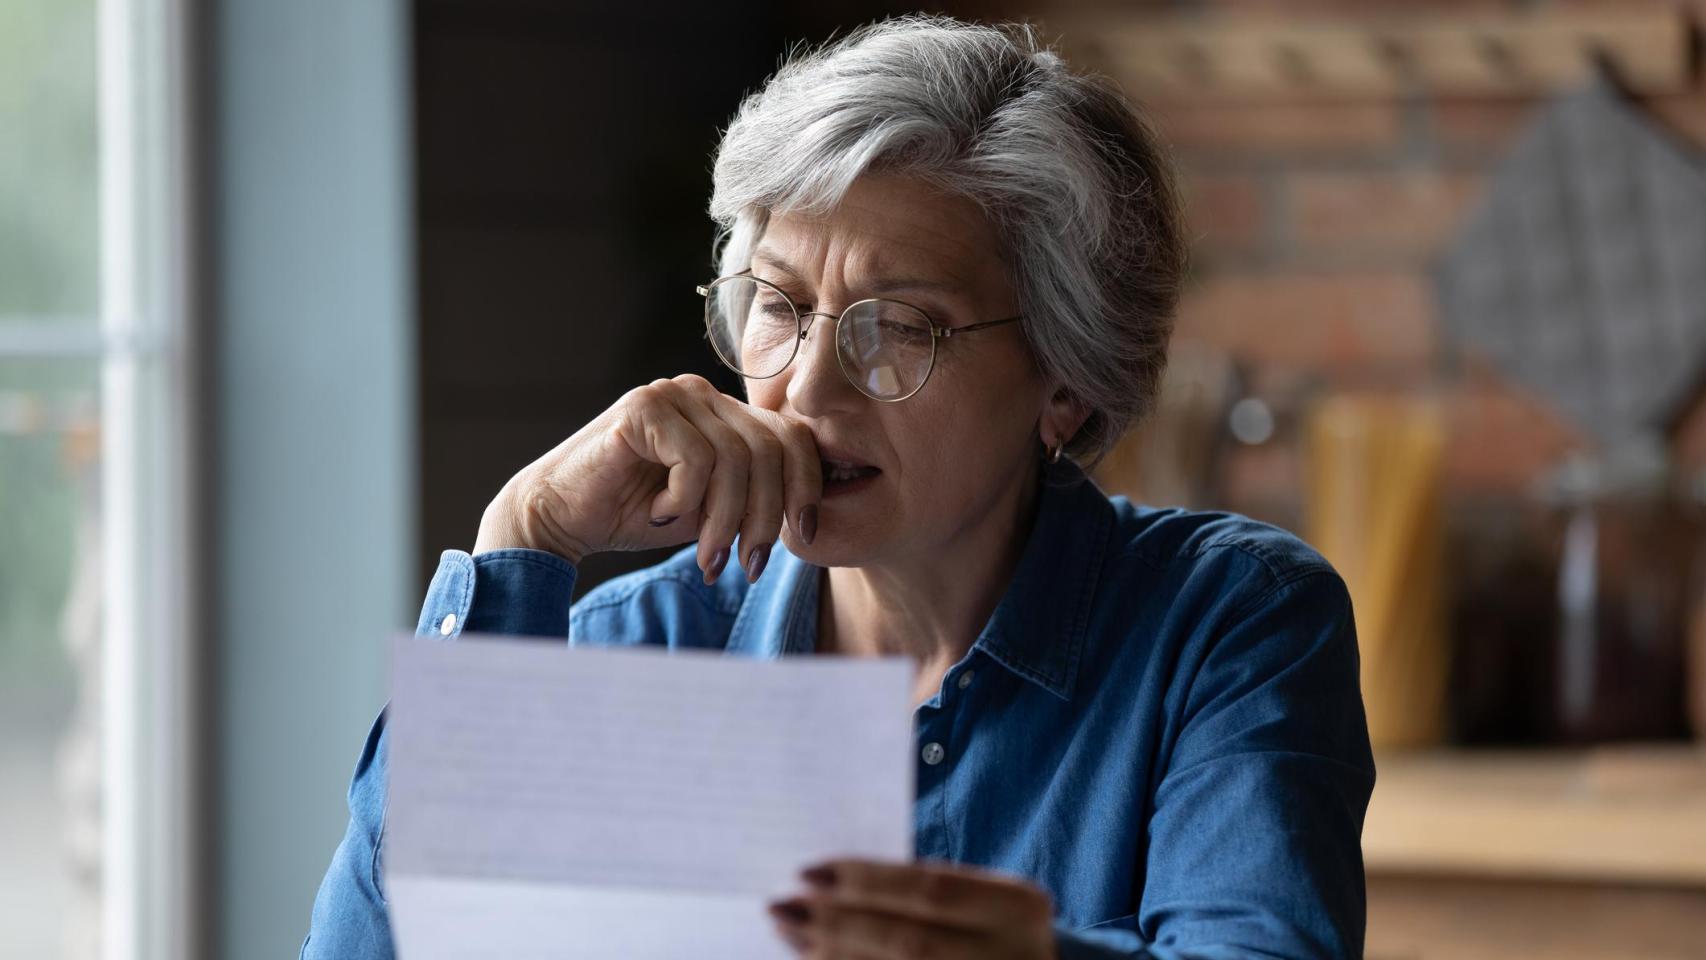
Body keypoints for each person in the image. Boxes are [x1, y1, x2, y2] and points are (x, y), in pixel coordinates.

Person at [303, 15, 1373, 959]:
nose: (806, 389)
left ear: (1064, 383)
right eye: (775, 305)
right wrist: (519, 540)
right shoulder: (643, 644)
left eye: (898, 327)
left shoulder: (1225, 623)